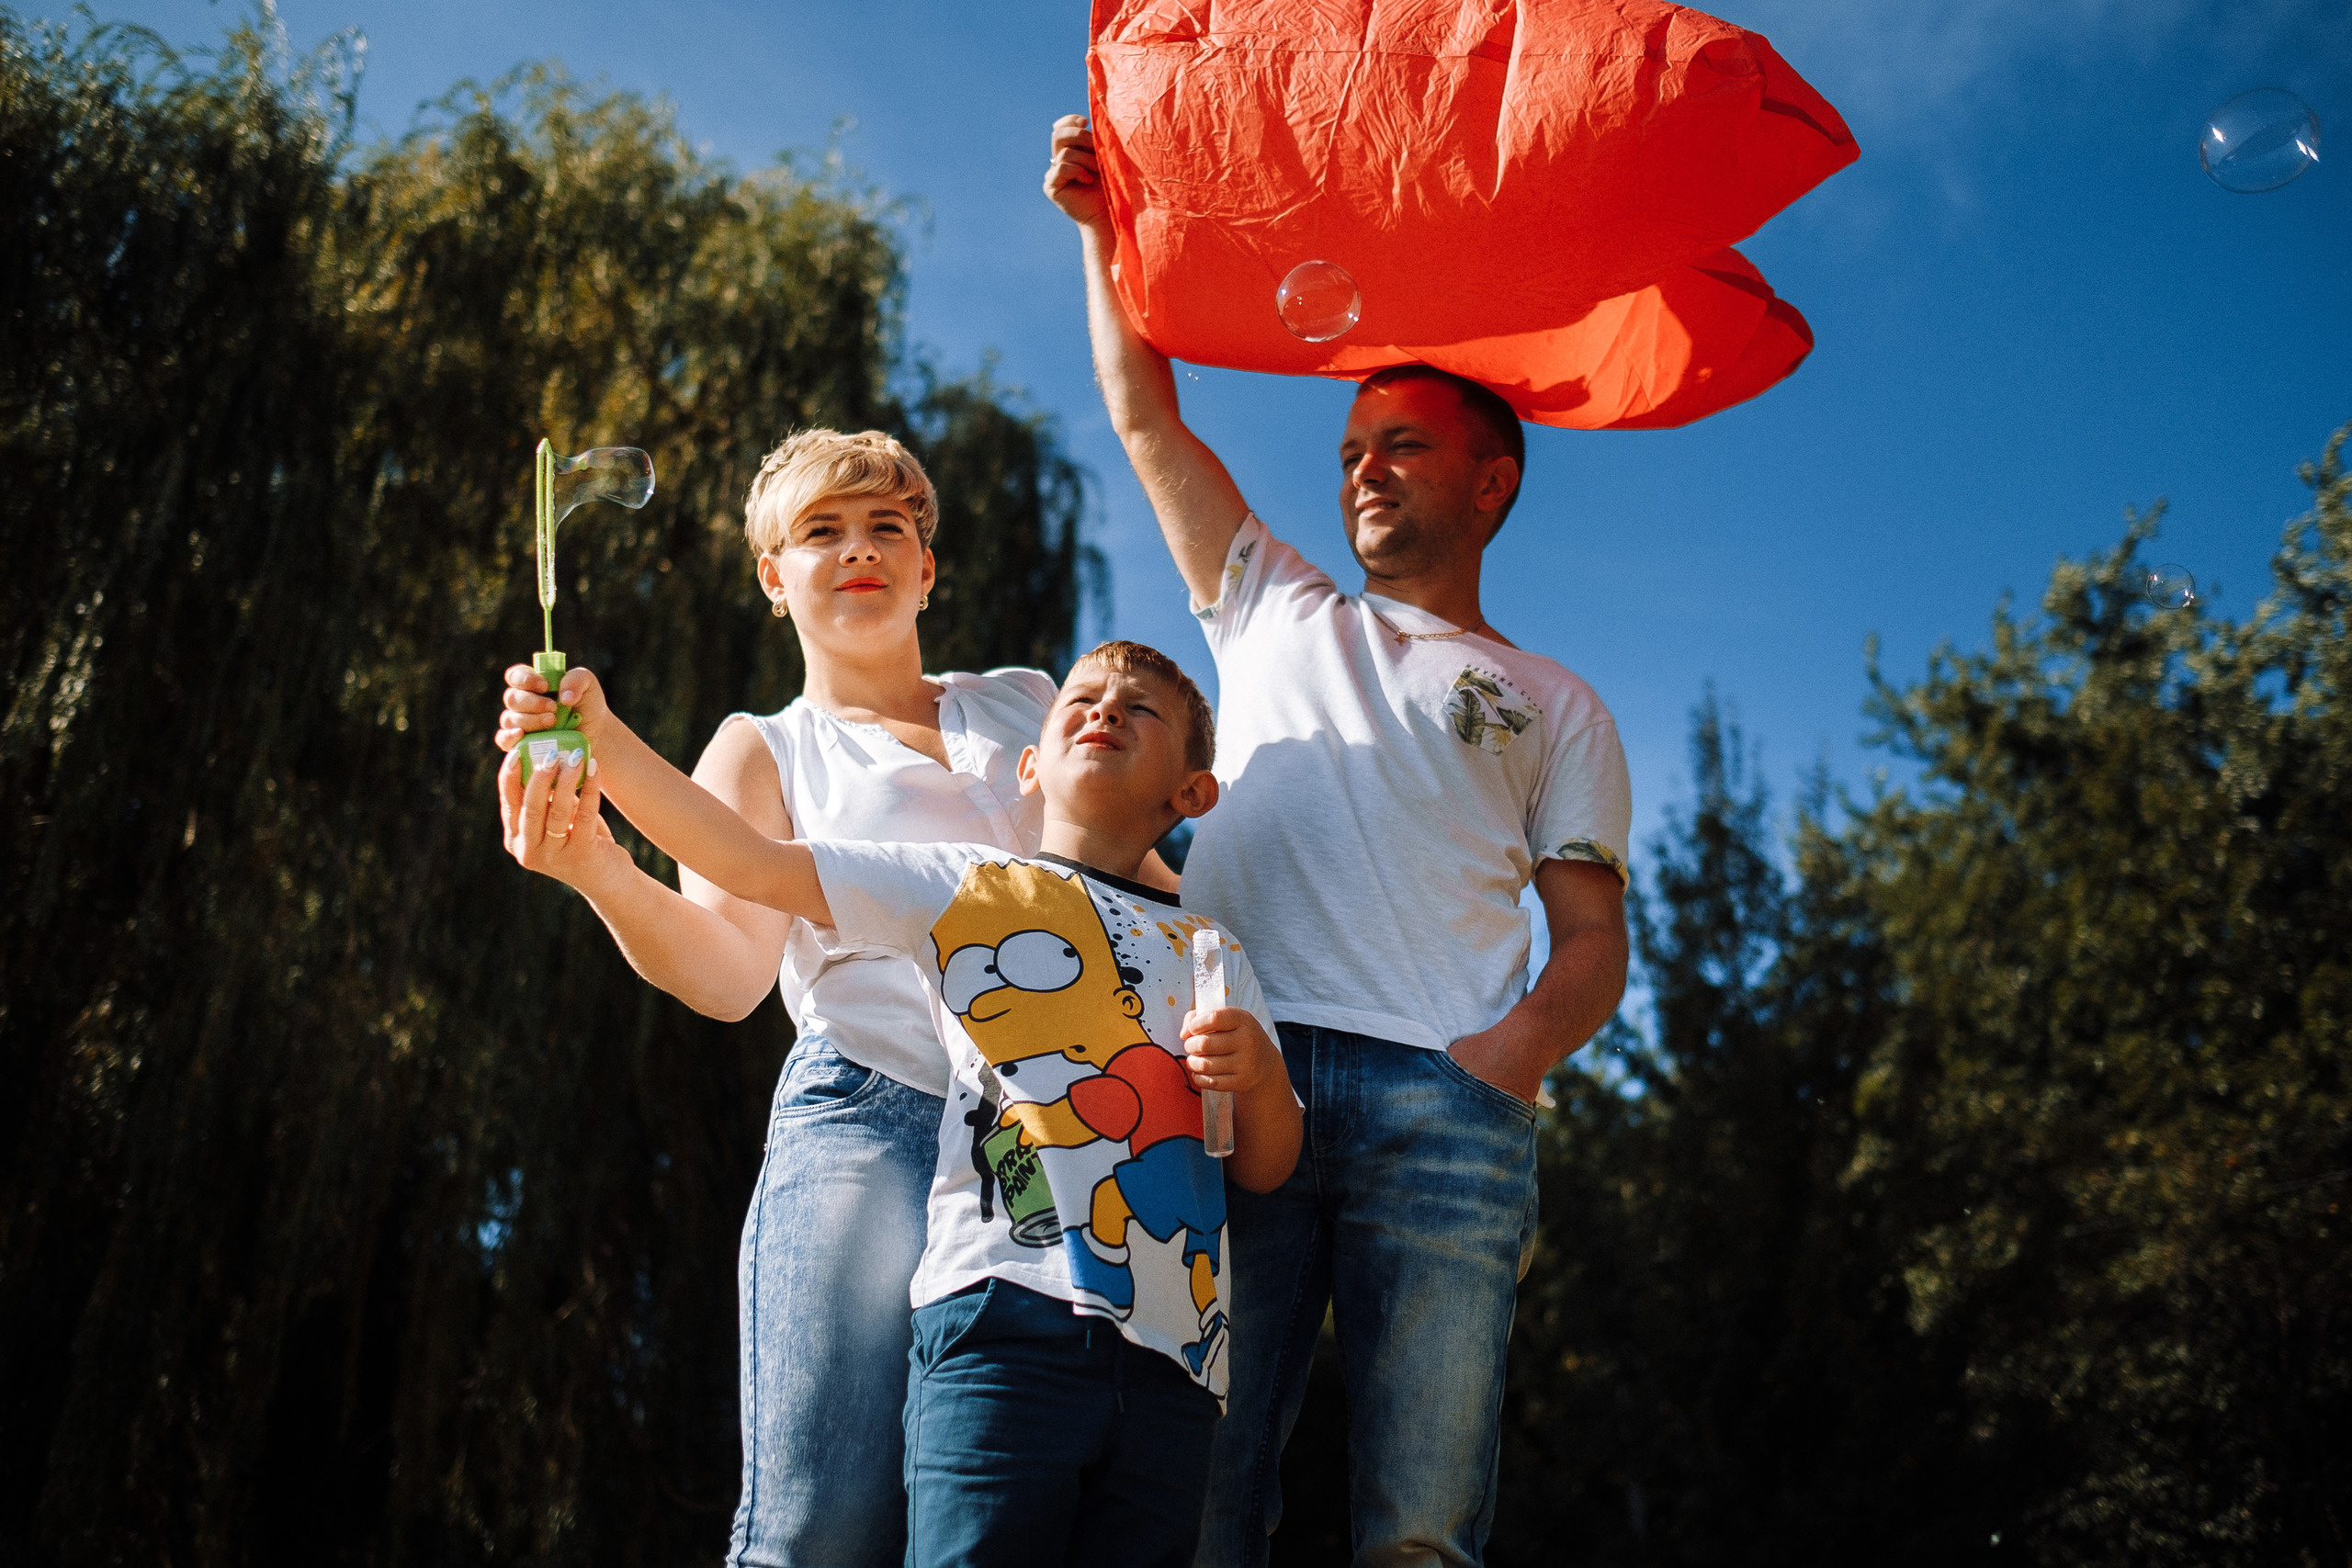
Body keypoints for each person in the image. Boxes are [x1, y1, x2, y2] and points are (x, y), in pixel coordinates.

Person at [1045, 116, 1634, 1567]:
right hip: (1229, 1077)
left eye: (1404, 445)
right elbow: (1146, 418)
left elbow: (1594, 947)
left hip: (1450, 1111)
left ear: (1492, 479)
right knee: (1204, 1492)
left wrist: (1490, 1070)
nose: (1364, 469)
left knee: (1420, 1525)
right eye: (1353, 447)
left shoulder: (1560, 702)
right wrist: (1097, 229)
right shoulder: (1274, 608)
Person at [495, 428, 1170, 1567]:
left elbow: (1142, 885)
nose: (857, 549)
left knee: (1013, 1521)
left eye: (886, 529)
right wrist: (598, 870)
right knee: (820, 1525)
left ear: (926, 569)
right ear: (773, 574)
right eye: (820, 531)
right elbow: (726, 975)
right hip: (872, 1122)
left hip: (1057, 1135)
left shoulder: (1028, 701)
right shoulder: (760, 750)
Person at [507, 638, 1306, 1568]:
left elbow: (1265, 1163)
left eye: (1140, 710)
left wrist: (1256, 1080)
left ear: (1192, 796)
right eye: (1082, 697)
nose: (1104, 710)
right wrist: (600, 740)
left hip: (1174, 1372)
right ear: (1029, 765)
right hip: (996, 1326)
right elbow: (753, 862)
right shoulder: (967, 889)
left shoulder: (1214, 955)